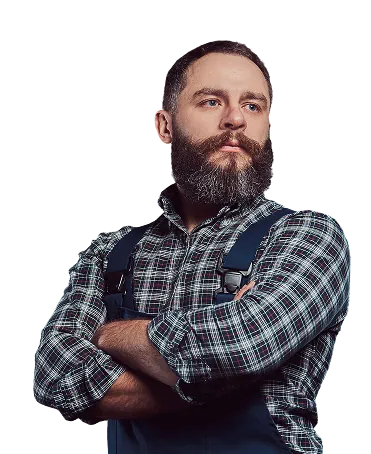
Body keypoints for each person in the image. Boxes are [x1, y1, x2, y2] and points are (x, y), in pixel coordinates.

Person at [32, 40, 351, 453]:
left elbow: (243, 345)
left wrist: (105, 335)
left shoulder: (308, 235)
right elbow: (53, 378)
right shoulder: (109, 252)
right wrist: (218, 367)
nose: (236, 118)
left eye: (253, 105)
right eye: (211, 101)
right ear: (164, 126)